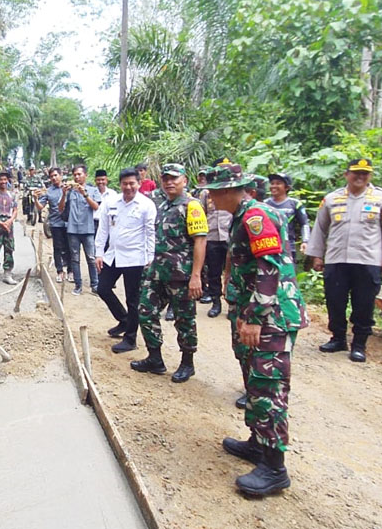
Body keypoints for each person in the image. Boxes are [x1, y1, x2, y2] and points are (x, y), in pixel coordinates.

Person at [198, 164, 309, 497]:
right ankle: (257, 444)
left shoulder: (256, 216)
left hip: (272, 316)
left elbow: (269, 267)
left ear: (233, 189)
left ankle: (275, 468)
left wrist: (257, 316)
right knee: (253, 381)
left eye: (216, 191)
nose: (212, 197)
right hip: (252, 311)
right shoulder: (241, 215)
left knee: (268, 387)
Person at [307, 158, 382, 362]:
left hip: (367, 260)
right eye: (356, 172)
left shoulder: (381, 197)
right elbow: (320, 228)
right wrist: (316, 255)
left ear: (370, 175)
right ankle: (338, 338)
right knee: (335, 301)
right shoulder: (332, 199)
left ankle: (359, 344)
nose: (360, 176)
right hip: (336, 259)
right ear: (346, 174)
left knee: (364, 304)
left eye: (365, 173)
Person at [131, 163, 208, 383]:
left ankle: (187, 363)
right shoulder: (162, 205)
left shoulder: (192, 206)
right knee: (145, 311)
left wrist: (195, 276)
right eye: (166, 179)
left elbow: (200, 241)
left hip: (181, 275)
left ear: (184, 180)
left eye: (174, 178)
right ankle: (155, 358)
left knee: (184, 320)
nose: (169, 182)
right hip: (157, 273)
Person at [94, 168, 157, 353]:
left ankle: (130, 339)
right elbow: (103, 229)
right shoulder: (111, 202)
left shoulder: (146, 204)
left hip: (135, 258)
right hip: (113, 255)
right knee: (103, 288)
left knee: (133, 299)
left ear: (138, 183)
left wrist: (149, 258)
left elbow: (150, 233)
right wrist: (99, 253)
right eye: (125, 183)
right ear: (120, 184)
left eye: (132, 183)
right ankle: (124, 319)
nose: (128, 187)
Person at [197, 157, 234, 318]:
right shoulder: (206, 193)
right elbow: (201, 214)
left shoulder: (235, 190)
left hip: (230, 236)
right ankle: (216, 302)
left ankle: (233, 304)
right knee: (213, 271)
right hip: (212, 236)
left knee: (233, 272)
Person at [60, 165, 101, 295]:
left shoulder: (93, 190)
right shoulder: (70, 191)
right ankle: (78, 285)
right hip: (72, 230)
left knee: (91, 257)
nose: (77, 177)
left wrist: (85, 194)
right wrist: (63, 194)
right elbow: (61, 209)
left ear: (85, 175)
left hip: (88, 229)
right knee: (75, 259)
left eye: (79, 174)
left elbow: (96, 207)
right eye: (75, 175)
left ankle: (95, 284)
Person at [36, 168, 71, 283]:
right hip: (55, 223)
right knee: (57, 248)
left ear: (61, 175)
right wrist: (35, 199)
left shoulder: (69, 188)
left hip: (69, 223)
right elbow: (40, 207)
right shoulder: (48, 191)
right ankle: (60, 271)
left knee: (70, 248)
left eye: (56, 175)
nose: (54, 178)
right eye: (51, 176)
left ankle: (71, 271)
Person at [266, 172, 309, 259]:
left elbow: (304, 224)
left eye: (278, 183)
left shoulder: (295, 203)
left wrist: (305, 241)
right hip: (269, 247)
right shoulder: (264, 204)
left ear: (287, 187)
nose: (274, 186)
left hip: (289, 247)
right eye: (272, 183)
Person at [93, 169, 120, 234]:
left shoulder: (113, 194)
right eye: (98, 180)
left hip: (108, 223)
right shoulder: (91, 193)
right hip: (93, 223)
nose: (100, 182)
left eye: (103, 180)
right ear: (95, 181)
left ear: (106, 180)